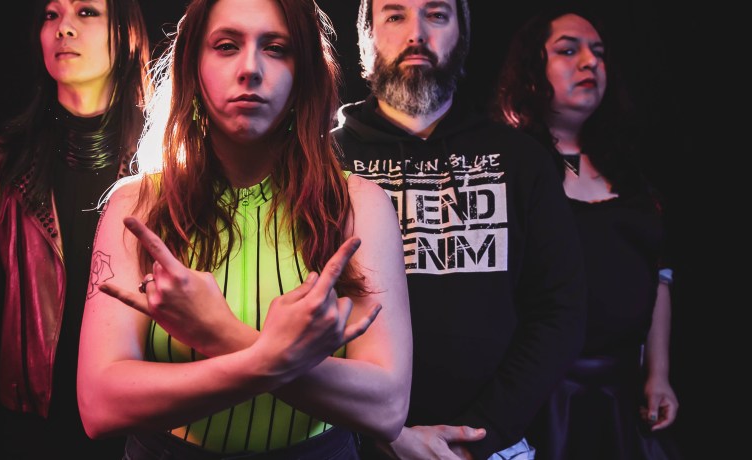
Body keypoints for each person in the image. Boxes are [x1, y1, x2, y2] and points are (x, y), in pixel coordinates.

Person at [76, 0, 413, 458]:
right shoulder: (136, 204)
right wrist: (266, 357)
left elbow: (386, 408)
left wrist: (217, 332)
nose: (251, 68)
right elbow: (101, 406)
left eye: (276, 48)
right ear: (193, 66)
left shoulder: (359, 204)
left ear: (304, 73)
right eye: (226, 46)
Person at [332, 1, 589, 458]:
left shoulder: (521, 160)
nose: (416, 34)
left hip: (491, 447)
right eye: (395, 16)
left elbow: (560, 311)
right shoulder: (323, 161)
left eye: (437, 15)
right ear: (366, 37)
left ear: (462, 33)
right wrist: (385, 434)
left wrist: (476, 439)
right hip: (349, 444)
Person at [0, 0, 149, 458]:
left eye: (86, 12)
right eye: (51, 14)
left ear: (127, 35)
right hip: (31, 429)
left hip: (135, 425)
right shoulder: (0, 162)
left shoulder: (164, 158)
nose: (64, 28)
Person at [493, 9, 680, 460]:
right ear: (531, 70)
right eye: (568, 50)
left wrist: (658, 374)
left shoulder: (627, 165)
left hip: (622, 397)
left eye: (598, 52)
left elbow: (658, 275)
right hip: (545, 400)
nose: (590, 62)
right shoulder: (508, 165)